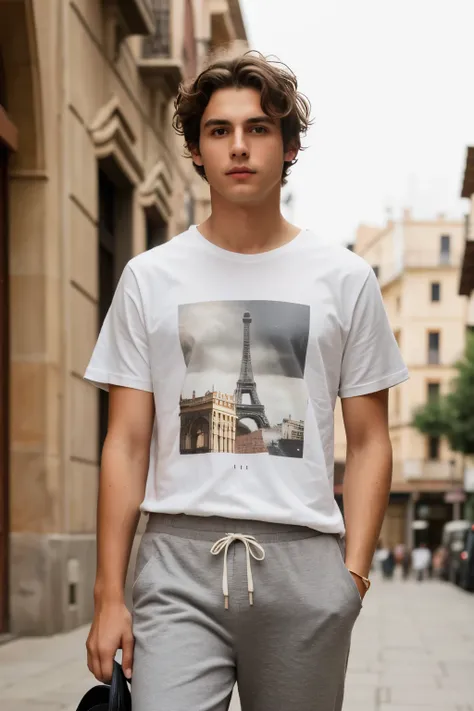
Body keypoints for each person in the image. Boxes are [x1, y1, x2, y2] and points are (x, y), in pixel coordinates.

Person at [84, 52, 409, 711]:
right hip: (176, 563)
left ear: (289, 147)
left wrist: (351, 576)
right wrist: (108, 593)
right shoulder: (150, 277)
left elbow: (371, 439)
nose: (239, 146)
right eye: (219, 130)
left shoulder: (345, 280)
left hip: (305, 567)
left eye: (259, 129)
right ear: (196, 150)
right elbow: (125, 442)